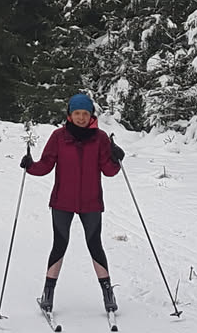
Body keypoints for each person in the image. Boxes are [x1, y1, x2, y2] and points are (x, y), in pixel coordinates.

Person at [19, 92, 125, 316]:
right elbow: (46, 165)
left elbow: (108, 171)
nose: (81, 117)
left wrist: (116, 158)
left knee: (95, 245)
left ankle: (108, 294)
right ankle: (48, 294)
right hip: (62, 202)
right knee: (60, 244)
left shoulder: (100, 138)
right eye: (77, 113)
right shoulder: (59, 137)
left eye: (85, 113)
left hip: (91, 202)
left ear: (91, 115)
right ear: (69, 114)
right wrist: (30, 166)